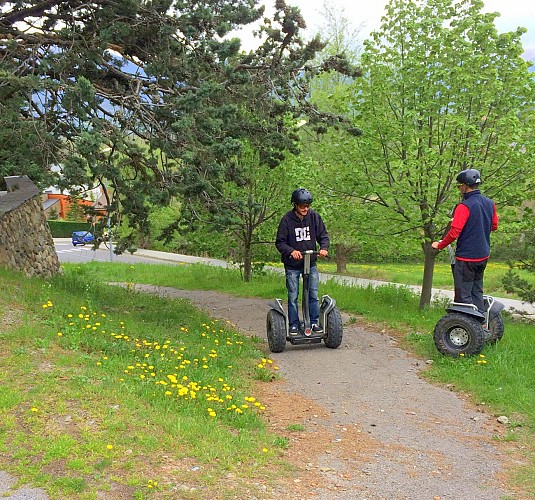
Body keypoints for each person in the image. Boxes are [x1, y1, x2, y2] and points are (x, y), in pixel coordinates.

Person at [432, 169, 498, 312]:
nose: (459, 189)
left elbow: (454, 232)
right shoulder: (490, 203)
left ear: (465, 186)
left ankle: (468, 328)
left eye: (459, 186)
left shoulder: (464, 206)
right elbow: (494, 226)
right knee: (477, 291)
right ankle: (480, 323)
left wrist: (440, 245)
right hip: (483, 256)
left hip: (466, 258)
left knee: (463, 296)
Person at [275, 188, 329, 335]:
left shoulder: (314, 217)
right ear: (295, 205)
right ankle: (293, 324)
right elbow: (280, 243)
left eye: (308, 206)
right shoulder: (287, 220)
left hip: (310, 262)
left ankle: (313, 322)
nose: (305, 209)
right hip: (292, 265)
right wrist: (291, 251)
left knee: (313, 293)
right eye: (302, 206)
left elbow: (323, 235)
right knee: (293, 295)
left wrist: (324, 248)